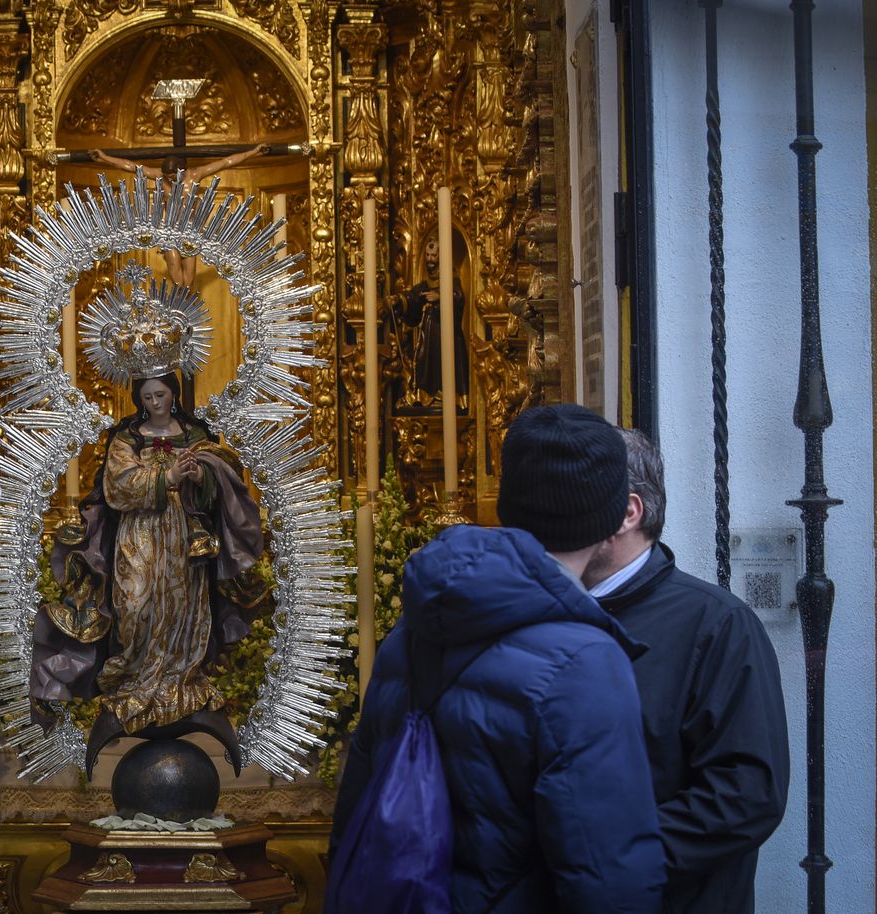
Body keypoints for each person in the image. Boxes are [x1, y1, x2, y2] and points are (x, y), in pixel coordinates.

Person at [330, 403, 665, 913]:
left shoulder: (415, 629)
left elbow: (356, 803)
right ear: (610, 516)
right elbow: (607, 874)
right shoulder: (585, 661)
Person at [573, 428, 788, 912]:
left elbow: (747, 795)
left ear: (629, 512)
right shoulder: (548, 611)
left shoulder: (719, 626)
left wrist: (605, 854)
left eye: (576, 496)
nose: (556, 513)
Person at [31, 372, 266, 771]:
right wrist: (166, 476)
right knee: (135, 606)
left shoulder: (194, 435)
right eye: (147, 396)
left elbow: (220, 481)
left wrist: (198, 475)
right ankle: (136, 681)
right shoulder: (127, 439)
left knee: (182, 611)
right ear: (139, 399)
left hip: (182, 542)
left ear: (173, 394)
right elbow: (118, 486)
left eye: (161, 394)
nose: (155, 402)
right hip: (137, 536)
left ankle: (180, 682)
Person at [89, 144, 270, 286]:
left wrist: (254, 152)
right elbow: (131, 166)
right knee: (177, 280)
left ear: (182, 170)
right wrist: (104, 158)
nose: (170, 180)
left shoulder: (195, 176)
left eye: (173, 176)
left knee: (188, 282)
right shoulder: (160, 176)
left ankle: (185, 323)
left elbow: (226, 162)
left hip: (190, 232)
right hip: (170, 232)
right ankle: (177, 319)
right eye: (167, 177)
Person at [392, 238, 468, 408]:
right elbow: (413, 298)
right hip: (428, 340)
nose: (430, 259)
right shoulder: (426, 284)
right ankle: (425, 395)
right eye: (427, 255)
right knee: (424, 365)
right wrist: (399, 300)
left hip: (447, 338)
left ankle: (448, 396)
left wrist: (441, 297)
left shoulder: (453, 281)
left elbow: (459, 298)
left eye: (434, 255)